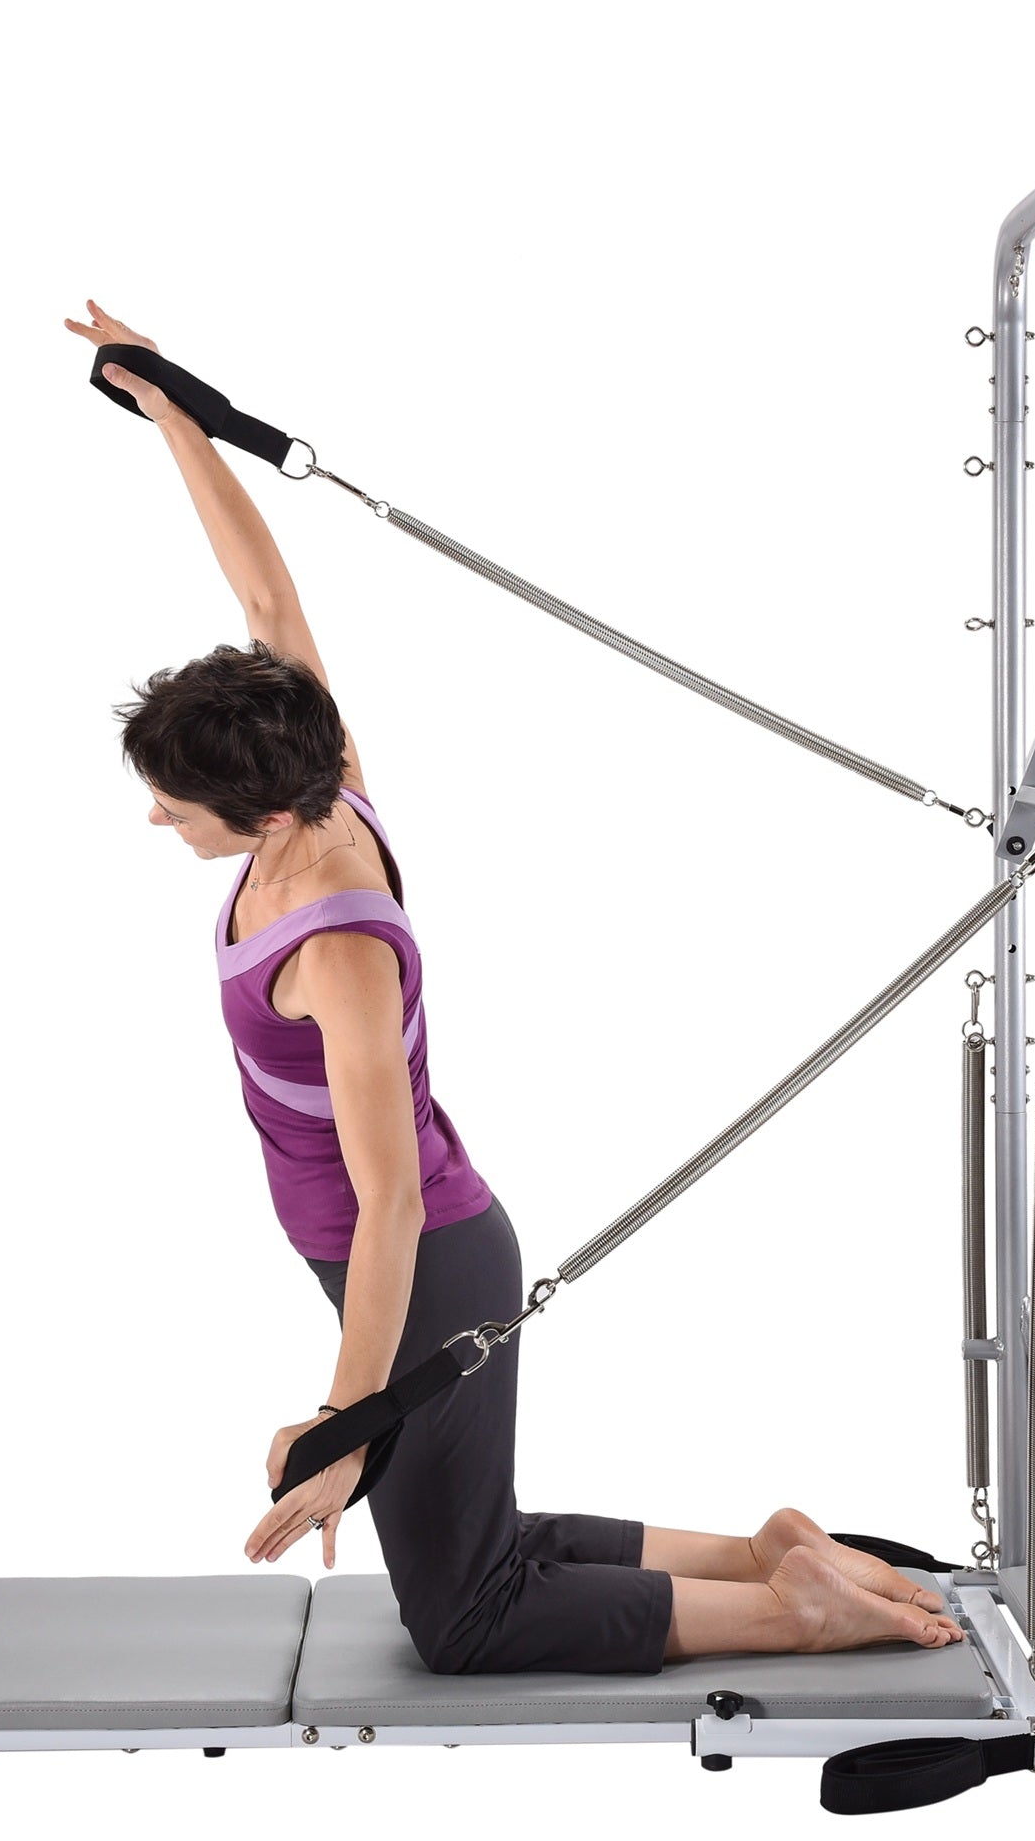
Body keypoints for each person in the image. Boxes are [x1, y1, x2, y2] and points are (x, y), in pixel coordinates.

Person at [66, 298, 966, 1676]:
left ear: (254, 814)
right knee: (480, 1530)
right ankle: (766, 1549)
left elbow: (390, 1205)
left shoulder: (338, 954)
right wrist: (176, 416)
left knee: (466, 1616)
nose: (156, 823)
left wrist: (344, 1424)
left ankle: (794, 1612)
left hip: (419, 1259)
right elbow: (266, 601)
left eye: (174, 807)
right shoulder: (326, 775)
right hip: (397, 1252)